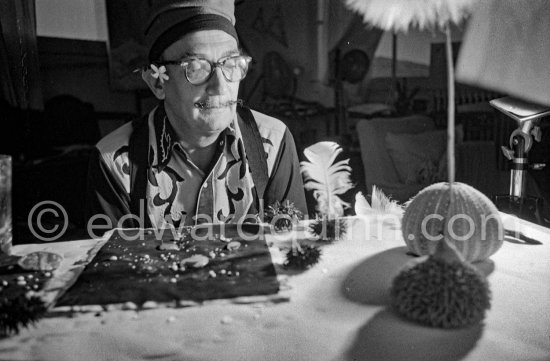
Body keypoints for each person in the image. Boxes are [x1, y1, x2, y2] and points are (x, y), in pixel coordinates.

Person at [85, 0, 307, 230]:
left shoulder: (272, 142)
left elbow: (292, 249)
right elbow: (115, 263)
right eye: (195, 66)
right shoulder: (115, 161)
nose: (220, 86)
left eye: (231, 63)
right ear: (157, 83)